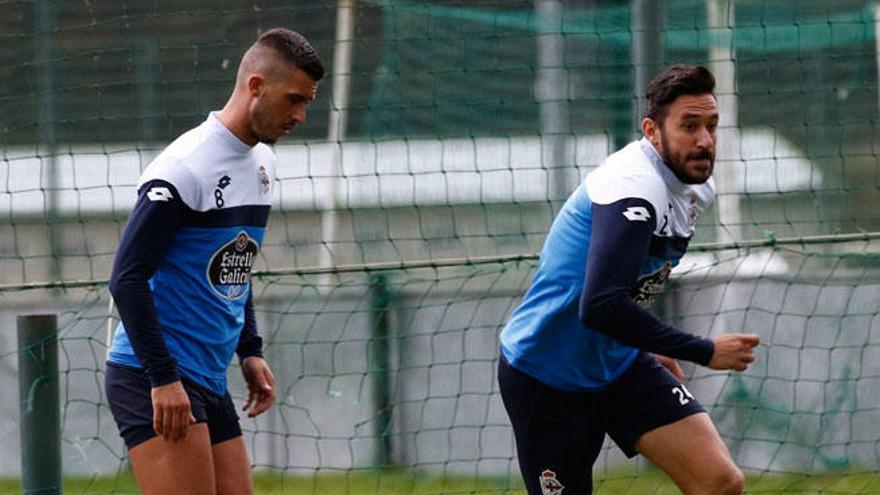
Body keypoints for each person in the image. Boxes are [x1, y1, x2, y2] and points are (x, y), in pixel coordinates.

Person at [498, 65, 760, 495]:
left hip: (618, 365)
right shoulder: (633, 186)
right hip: (546, 376)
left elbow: (632, 283)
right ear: (651, 131)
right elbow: (600, 303)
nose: (705, 141)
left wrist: (645, 345)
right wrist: (704, 350)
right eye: (689, 126)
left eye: (712, 126)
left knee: (719, 483)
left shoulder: (697, 186)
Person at [105, 28, 324, 494]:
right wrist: (162, 380)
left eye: (307, 102)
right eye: (293, 100)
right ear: (256, 86)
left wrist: (250, 349)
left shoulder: (263, 163)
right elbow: (126, 279)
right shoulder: (185, 168)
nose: (302, 116)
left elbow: (233, 266)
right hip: (155, 376)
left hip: (207, 377)